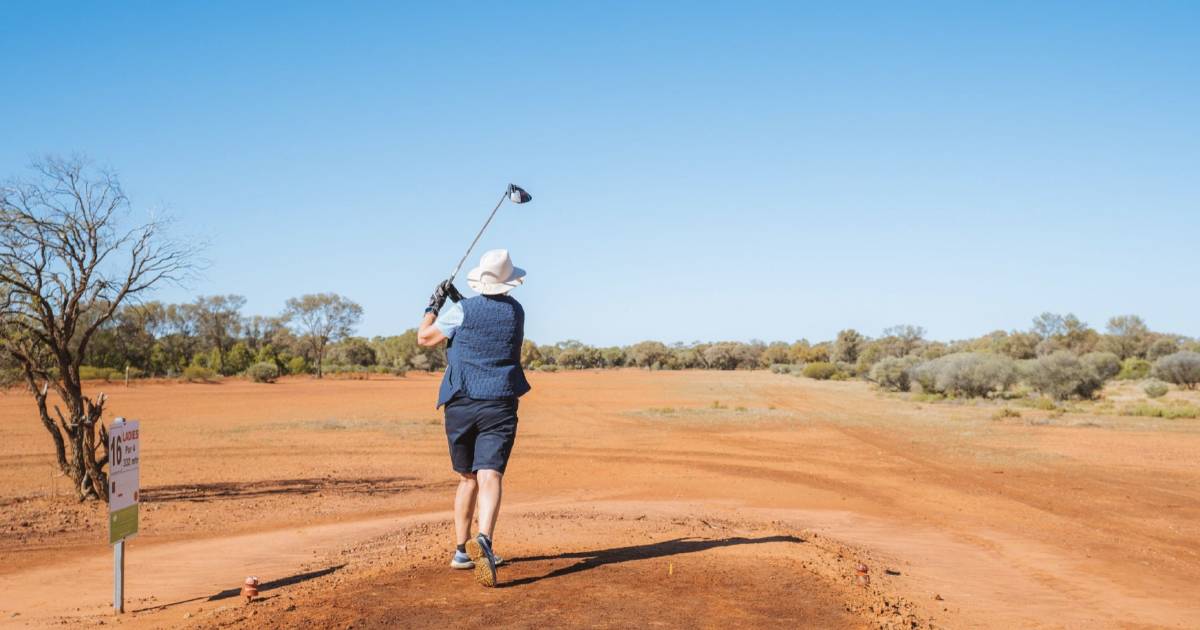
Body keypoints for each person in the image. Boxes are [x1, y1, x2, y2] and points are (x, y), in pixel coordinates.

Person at [417, 248, 531, 588]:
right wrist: (458, 302)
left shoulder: (460, 311)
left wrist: (433, 306)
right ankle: (484, 539)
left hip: (461, 403)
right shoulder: (517, 312)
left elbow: (425, 337)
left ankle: (461, 551)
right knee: (490, 475)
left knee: (467, 478)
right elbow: (489, 318)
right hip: (500, 402)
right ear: (509, 282)